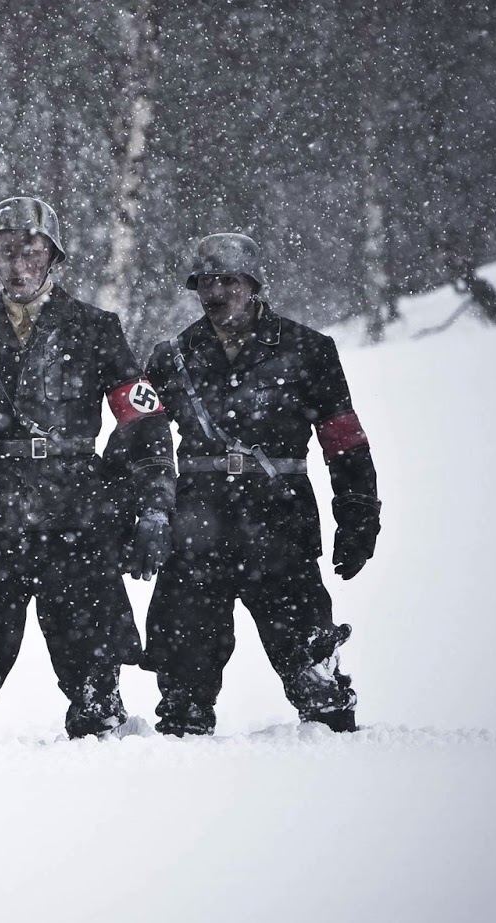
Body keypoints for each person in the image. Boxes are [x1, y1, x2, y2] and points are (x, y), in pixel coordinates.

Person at [0, 196, 175, 742]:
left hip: (77, 513)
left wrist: (156, 506)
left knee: (95, 675)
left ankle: (99, 742)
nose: (18, 265)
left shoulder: (96, 329)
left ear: (53, 258)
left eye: (31, 252)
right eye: (6, 253)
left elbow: (144, 423)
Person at [143, 233, 380, 735]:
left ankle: (344, 766)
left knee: (317, 678)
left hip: (280, 524)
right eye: (206, 282)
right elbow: (142, 445)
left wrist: (358, 513)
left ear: (253, 284)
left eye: (228, 281)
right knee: (182, 690)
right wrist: (141, 514)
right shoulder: (172, 357)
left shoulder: (309, 350)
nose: (215, 292)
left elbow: (344, 441)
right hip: (197, 529)